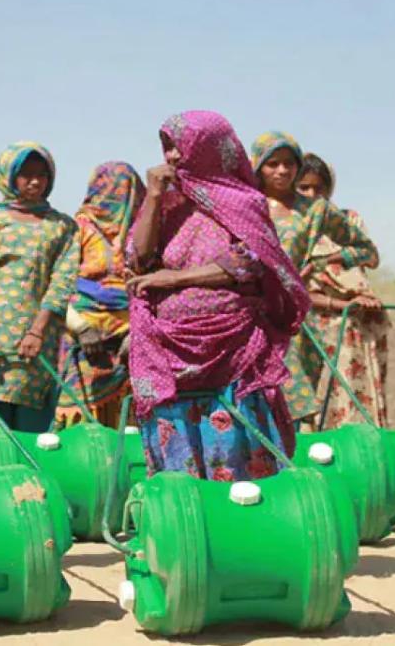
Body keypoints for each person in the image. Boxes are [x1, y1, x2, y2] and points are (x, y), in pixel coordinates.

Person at [127, 111, 309, 481]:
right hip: (171, 346)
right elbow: (139, 258)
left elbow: (248, 261)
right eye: (168, 149)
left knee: (234, 422)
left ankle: (244, 508)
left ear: (209, 148)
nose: (172, 157)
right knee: (177, 423)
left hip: (232, 345)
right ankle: (184, 508)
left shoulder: (243, 202)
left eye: (180, 147)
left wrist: (174, 280)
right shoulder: (168, 202)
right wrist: (155, 197)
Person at [250, 132, 379, 430]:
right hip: (248, 315)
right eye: (273, 164)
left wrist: (322, 263)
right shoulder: (246, 205)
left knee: (295, 404)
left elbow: (366, 251)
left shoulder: (315, 210)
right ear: (258, 166)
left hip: (291, 320)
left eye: (288, 163)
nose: (282, 171)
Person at [0, 143, 79, 432]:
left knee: (32, 431)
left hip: (38, 341)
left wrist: (37, 331)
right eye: (26, 175)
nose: (35, 181)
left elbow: (61, 283)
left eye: (42, 175)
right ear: (9, 176)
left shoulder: (63, 227)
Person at [295, 153, 390, 429]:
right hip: (317, 324)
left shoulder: (348, 220)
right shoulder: (294, 228)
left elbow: (370, 257)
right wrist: (340, 305)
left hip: (361, 323)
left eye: (319, 188)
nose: (313, 195)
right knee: (322, 401)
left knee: (362, 400)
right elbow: (296, 288)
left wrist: (333, 259)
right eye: (304, 188)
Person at [52, 162, 142, 429]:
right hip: (83, 337)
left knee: (129, 417)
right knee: (80, 417)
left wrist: (138, 331)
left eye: (124, 189)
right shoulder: (76, 229)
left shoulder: (141, 233)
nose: (116, 195)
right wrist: (81, 328)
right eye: (108, 188)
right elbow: (57, 284)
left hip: (130, 338)